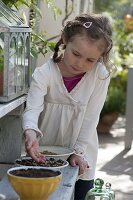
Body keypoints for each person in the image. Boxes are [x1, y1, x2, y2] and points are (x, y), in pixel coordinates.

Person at [22, 13, 113, 200]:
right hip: (45, 152)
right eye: (76, 54)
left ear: (100, 58)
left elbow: (91, 118)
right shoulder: (44, 73)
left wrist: (78, 152)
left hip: (83, 149)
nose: (80, 64)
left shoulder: (100, 75)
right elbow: (32, 108)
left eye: (90, 60)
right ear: (65, 40)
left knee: (80, 194)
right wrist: (30, 132)